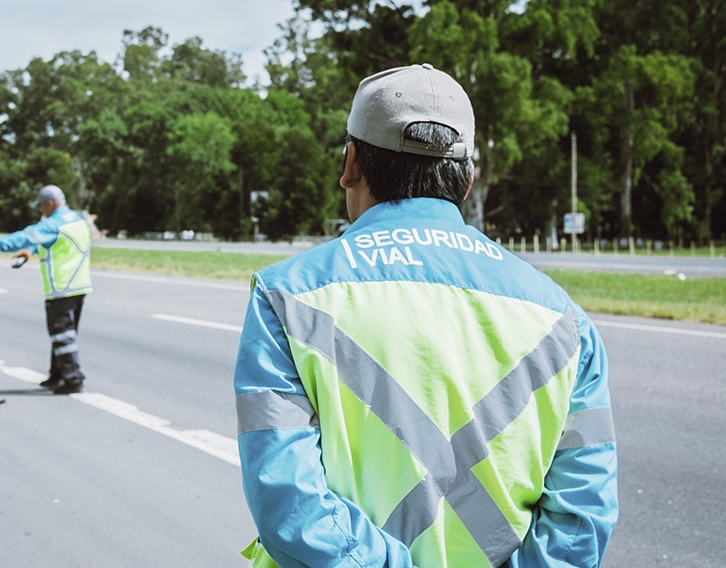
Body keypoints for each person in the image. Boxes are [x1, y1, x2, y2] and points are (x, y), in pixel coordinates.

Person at [233, 63, 618, 567]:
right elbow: (581, 519)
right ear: (467, 179)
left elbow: (288, 504)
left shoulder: (286, 298)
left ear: (352, 163)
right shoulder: (564, 322)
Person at [0, 184, 93, 394]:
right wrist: (30, 251)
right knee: (64, 334)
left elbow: (30, 235)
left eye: (41, 207)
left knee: (62, 336)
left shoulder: (54, 224)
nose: (40, 211)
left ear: (50, 204)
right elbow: (51, 243)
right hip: (79, 285)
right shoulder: (76, 220)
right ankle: (57, 375)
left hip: (61, 287)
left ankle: (73, 379)